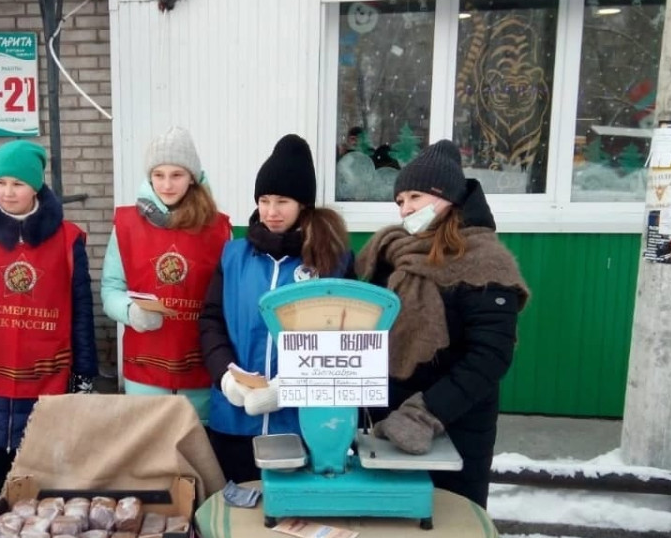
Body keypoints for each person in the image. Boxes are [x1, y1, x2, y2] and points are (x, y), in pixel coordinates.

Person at [356, 139, 530, 508]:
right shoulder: (391, 253)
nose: (406, 209)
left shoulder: (486, 261)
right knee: (392, 522)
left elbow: (490, 356)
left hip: (455, 424)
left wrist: (425, 413)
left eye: (415, 197)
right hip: (387, 423)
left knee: (448, 521)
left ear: (447, 197)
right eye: (400, 201)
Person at [0, 140, 98, 523]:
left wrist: (84, 372)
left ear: (36, 187)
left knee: (41, 473)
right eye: (1, 182)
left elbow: (80, 311)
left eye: (18, 183)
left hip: (45, 378)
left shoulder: (67, 239)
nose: (8, 192)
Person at [199, 134, 354, 483]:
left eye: (282, 201)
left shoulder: (333, 261)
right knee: (240, 507)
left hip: (303, 423)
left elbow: (346, 341)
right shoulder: (233, 256)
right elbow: (211, 321)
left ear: (303, 205)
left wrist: (289, 387)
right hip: (235, 421)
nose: (271, 211)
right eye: (264, 200)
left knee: (292, 510)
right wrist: (226, 377)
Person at [101, 127, 231, 422]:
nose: (167, 184)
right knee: (148, 448)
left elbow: (227, 299)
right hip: (144, 370)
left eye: (177, 175)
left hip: (199, 368)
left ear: (192, 177)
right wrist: (130, 311)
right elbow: (110, 288)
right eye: (158, 175)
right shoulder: (126, 225)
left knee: (196, 447)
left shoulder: (219, 229)